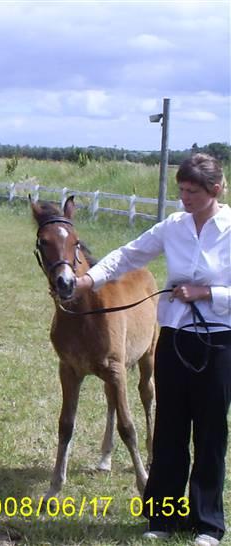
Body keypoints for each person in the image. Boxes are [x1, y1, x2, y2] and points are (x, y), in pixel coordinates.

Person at [74, 153, 230, 546]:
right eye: (181, 190)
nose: (184, 198)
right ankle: (163, 516)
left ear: (216, 190)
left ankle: (208, 524)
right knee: (169, 429)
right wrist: (89, 280)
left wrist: (207, 292)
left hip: (219, 341)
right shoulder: (173, 227)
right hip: (175, 335)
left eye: (192, 191)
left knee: (210, 432)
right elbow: (129, 255)